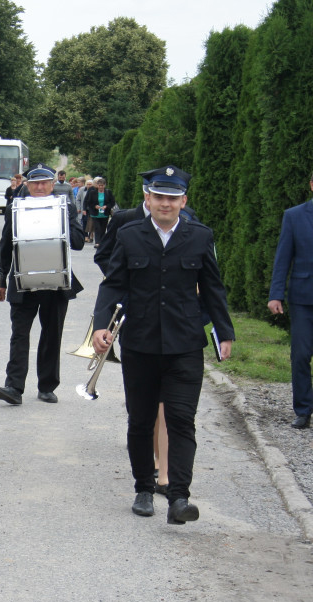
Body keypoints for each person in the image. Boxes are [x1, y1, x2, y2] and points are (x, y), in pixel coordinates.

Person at [92, 165, 234, 524]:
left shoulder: (200, 237)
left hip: (185, 343)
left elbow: (214, 288)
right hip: (140, 343)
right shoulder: (129, 236)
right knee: (140, 420)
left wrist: (224, 331)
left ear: (183, 201)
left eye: (173, 198)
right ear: (148, 198)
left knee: (181, 419)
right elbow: (112, 284)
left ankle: (178, 497)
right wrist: (99, 326)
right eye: (159, 197)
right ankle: (143, 486)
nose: (165, 204)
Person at [0, 163, 85, 405]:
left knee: (52, 334)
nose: (40, 187)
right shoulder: (15, 207)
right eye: (35, 183)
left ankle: (47, 386)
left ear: (53, 184)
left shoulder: (66, 206)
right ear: (27, 185)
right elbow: (5, 245)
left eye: (45, 182)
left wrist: (62, 219)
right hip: (23, 280)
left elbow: (77, 242)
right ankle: (13, 387)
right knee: (19, 335)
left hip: (57, 281)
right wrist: (0, 280)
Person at [268, 170, 313, 429]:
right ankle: (303, 410)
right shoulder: (294, 216)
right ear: (311, 185)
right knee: (301, 354)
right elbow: (283, 257)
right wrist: (276, 294)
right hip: (304, 298)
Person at [82, 177, 115, 248]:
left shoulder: (108, 192)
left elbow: (112, 202)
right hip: (95, 214)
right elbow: (89, 202)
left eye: (102, 185)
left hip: (105, 213)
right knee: (97, 228)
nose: (100, 187)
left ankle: (102, 242)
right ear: (97, 185)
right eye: (99, 185)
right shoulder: (92, 192)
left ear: (104, 185)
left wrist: (106, 206)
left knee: (103, 228)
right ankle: (97, 242)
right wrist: (95, 206)